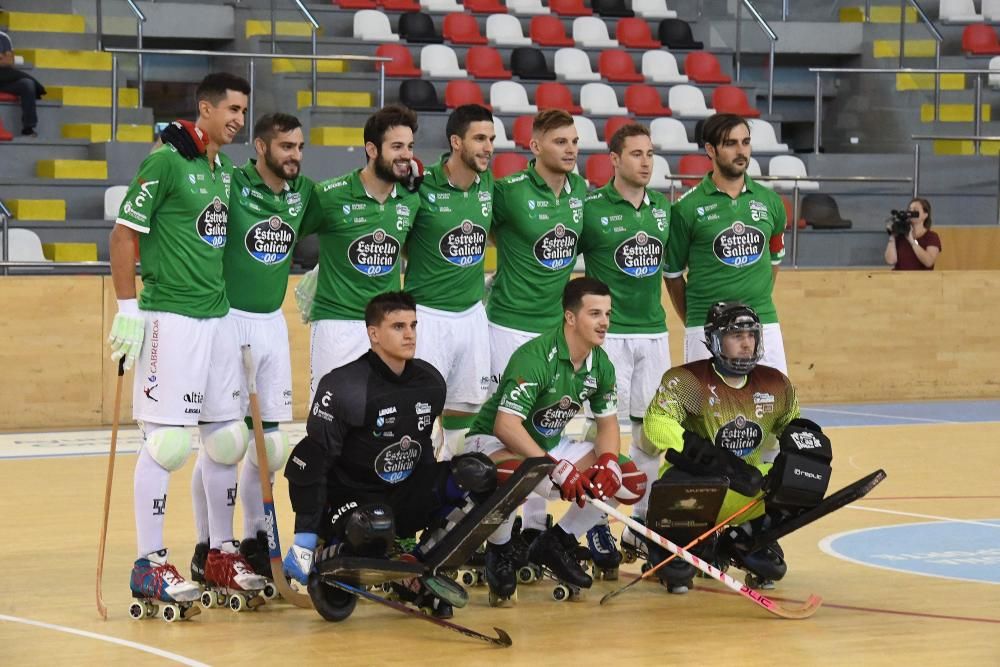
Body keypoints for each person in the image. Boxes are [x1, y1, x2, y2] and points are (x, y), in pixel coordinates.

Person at [108, 73, 263, 612]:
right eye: (232, 109)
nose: (239, 118)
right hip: (169, 319)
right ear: (205, 107)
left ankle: (220, 551)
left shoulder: (218, 168)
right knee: (169, 445)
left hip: (216, 319)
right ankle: (149, 562)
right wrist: (128, 308)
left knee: (226, 440)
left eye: (245, 110)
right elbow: (125, 233)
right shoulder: (166, 160)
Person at [160, 112, 317, 583]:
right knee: (224, 440)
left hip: (272, 322)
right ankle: (209, 544)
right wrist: (169, 140)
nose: (295, 155)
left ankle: (254, 539)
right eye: (286, 146)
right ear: (261, 147)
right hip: (227, 318)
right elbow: (191, 168)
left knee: (270, 444)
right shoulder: (230, 180)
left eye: (300, 146)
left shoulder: (302, 192)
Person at [281, 292, 498, 619]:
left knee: (478, 474)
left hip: (400, 494)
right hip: (350, 500)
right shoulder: (345, 386)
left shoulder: (430, 382)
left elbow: (422, 448)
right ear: (374, 334)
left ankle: (416, 566)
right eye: (398, 326)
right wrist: (305, 537)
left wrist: (434, 498)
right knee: (377, 522)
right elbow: (309, 464)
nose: (409, 334)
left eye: (412, 325)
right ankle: (331, 551)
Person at [465, 277, 647, 603]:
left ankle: (557, 541)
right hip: (491, 443)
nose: (604, 322)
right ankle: (500, 549)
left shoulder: (600, 364)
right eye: (595, 313)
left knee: (627, 478)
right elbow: (506, 425)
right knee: (511, 475)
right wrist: (554, 468)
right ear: (571, 317)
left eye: (607, 313)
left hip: (547, 448)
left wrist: (606, 461)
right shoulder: (535, 357)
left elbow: (607, 426)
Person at [629, 301, 829, 593]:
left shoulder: (775, 384)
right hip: (695, 488)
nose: (747, 343)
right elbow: (658, 424)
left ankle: (742, 538)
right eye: (736, 336)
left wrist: (812, 456)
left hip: (745, 488)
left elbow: (793, 427)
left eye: (751, 335)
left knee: (798, 478)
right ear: (714, 340)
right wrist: (720, 463)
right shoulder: (687, 380)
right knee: (678, 571)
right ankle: (671, 540)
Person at [487, 108, 588, 538]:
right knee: (506, 433)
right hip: (506, 328)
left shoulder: (582, 191)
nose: (570, 150)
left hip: (553, 332)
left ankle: (532, 529)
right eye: (560, 142)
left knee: (544, 427)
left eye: (574, 142)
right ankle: (495, 532)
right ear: (535, 146)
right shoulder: (506, 191)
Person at [578, 122, 672, 572]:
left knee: (651, 437)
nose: (646, 161)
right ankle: (597, 521)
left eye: (650, 153)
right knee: (606, 438)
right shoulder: (590, 207)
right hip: (608, 337)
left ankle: (639, 523)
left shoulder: (662, 210)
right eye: (636, 154)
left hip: (654, 333)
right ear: (614, 159)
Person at [296, 105, 421, 398]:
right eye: (397, 146)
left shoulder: (411, 199)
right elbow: (290, 232)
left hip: (386, 327)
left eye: (410, 146)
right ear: (372, 149)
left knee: (384, 421)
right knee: (331, 421)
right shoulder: (328, 195)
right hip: (336, 325)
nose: (406, 154)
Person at [664, 113, 789, 375]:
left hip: (763, 323)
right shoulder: (686, 208)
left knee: (774, 410)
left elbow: (774, 261)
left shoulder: (771, 203)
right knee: (709, 415)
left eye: (745, 142)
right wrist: (698, 321)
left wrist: (755, 300)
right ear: (710, 149)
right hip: (706, 328)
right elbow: (673, 275)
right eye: (731, 143)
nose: (741, 150)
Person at [405, 104, 495, 460]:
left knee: (461, 436)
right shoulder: (419, 186)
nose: (488, 146)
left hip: (472, 317)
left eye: (491, 139)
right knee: (417, 427)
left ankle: (452, 513)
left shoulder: (487, 184)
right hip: (426, 318)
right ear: (456, 142)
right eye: (479, 138)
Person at [0, 29, 45, 137]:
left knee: (27, 84)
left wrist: (4, 59)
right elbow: (4, 59)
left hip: (4, 79)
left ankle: (28, 128)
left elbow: (9, 61)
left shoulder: (3, 37)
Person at [884, 197, 941, 271]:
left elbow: (928, 262)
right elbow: (890, 261)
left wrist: (912, 241)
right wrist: (892, 236)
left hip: (921, 280)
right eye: (910, 210)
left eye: (915, 210)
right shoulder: (901, 235)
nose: (911, 213)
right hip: (899, 278)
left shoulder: (931, 237)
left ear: (925, 215)